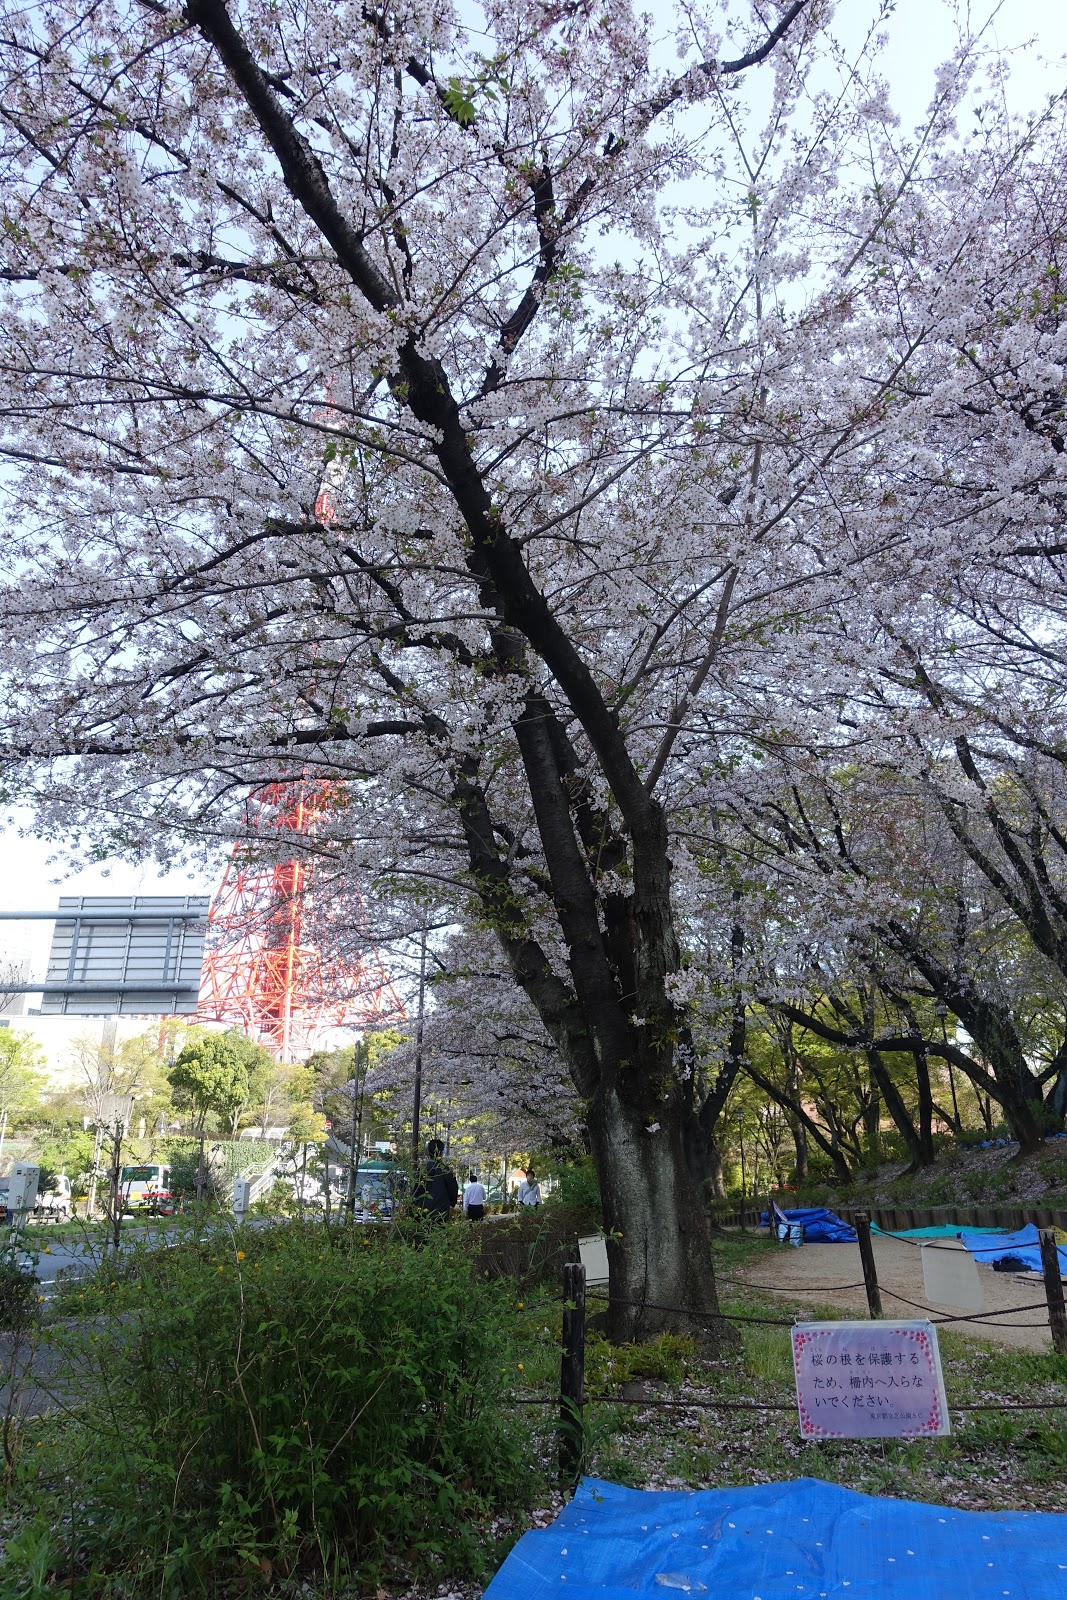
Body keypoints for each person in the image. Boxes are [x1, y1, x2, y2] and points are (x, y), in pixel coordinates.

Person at [413, 1137, 459, 1221]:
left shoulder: (422, 1169)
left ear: (428, 1151)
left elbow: (415, 1189)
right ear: (441, 1152)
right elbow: (453, 1188)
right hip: (441, 1211)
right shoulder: (445, 1170)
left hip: (422, 1210)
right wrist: (452, 1203)